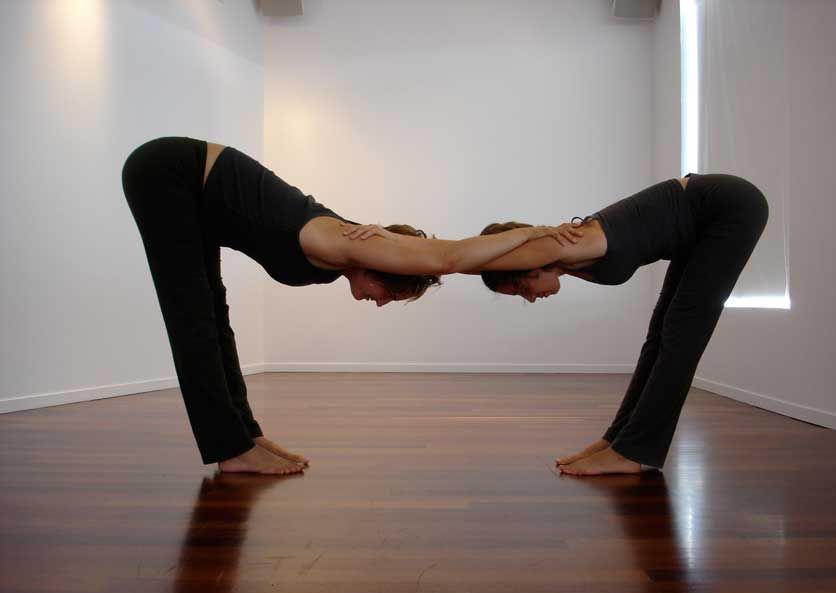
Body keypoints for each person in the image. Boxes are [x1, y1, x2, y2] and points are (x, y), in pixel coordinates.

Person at [121, 136, 580, 475]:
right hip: (169, 173)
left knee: (213, 316)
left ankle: (245, 436)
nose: (380, 304)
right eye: (390, 295)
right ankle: (232, 448)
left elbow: (440, 256)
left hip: (196, 192)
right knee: (193, 319)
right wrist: (533, 233)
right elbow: (451, 257)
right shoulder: (341, 243)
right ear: (379, 268)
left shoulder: (351, 247)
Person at [469, 173, 769, 476]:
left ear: (530, 265)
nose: (531, 298)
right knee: (660, 334)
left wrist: (442, 261)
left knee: (681, 336)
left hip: (728, 208)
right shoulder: (563, 256)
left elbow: (462, 258)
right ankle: (617, 440)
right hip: (700, 221)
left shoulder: (569, 245)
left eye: (522, 289)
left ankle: (633, 452)